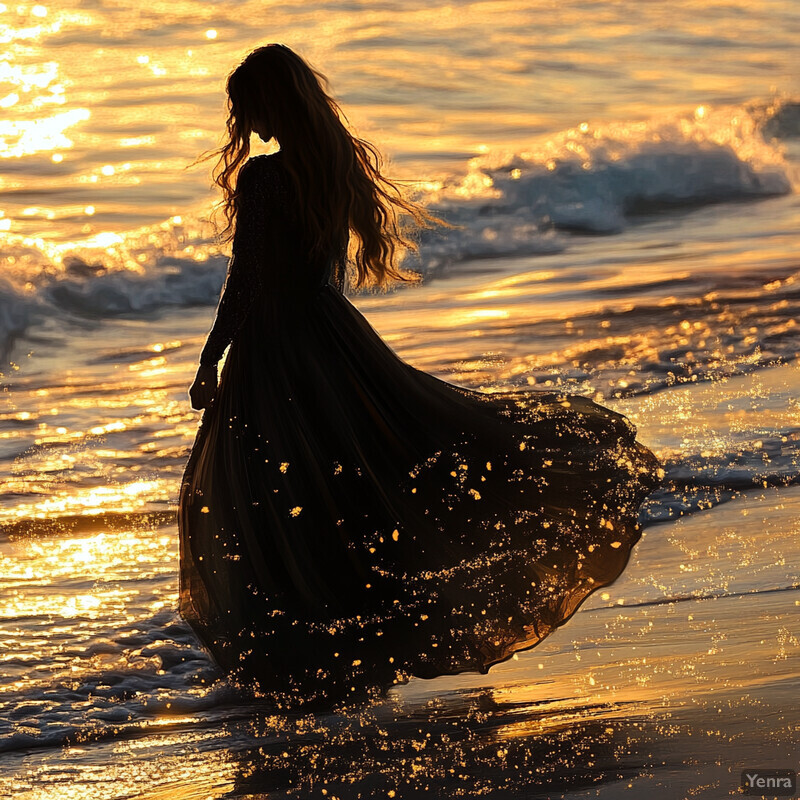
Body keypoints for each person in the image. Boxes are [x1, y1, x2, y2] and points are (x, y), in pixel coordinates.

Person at [178, 43, 664, 711]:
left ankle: (308, 655)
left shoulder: (263, 180)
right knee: (372, 475)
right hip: (334, 341)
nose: (237, 117)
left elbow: (248, 282)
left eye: (243, 103)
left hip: (278, 353)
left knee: (270, 501)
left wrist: (212, 357)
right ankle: (350, 640)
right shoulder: (331, 165)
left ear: (269, 100)